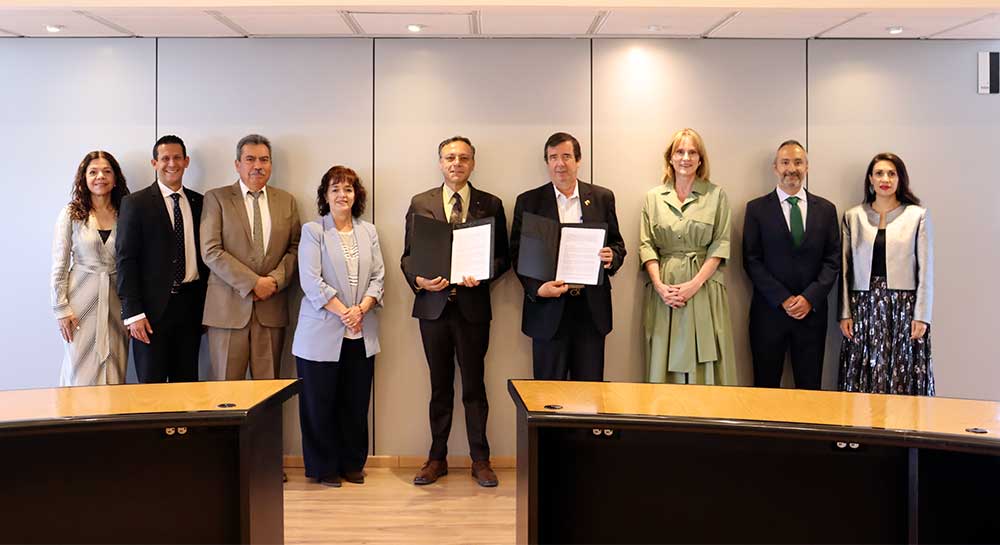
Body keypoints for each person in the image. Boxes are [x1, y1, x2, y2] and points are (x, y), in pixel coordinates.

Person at [400, 136, 510, 488]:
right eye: (450, 158)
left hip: (472, 308)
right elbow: (407, 257)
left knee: (475, 387)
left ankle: (481, 460)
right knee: (439, 386)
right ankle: (437, 458)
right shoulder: (421, 202)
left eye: (463, 158)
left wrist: (484, 274)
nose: (456, 163)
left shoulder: (490, 203)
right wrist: (419, 280)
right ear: (440, 162)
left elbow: (503, 257)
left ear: (473, 163)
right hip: (433, 310)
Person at [292, 166, 384, 488]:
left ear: (356, 195)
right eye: (335, 189)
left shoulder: (368, 231)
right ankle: (323, 467)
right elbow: (310, 281)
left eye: (348, 189)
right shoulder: (313, 231)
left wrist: (362, 309)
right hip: (320, 333)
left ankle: (352, 463)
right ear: (325, 195)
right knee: (319, 405)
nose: (342, 195)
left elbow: (379, 277)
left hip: (361, 331)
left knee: (355, 403)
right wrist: (346, 312)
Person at [510, 132, 626, 381]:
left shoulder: (601, 198)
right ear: (547, 162)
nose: (560, 164)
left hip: (590, 310)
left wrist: (612, 257)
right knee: (547, 395)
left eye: (566, 156)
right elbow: (517, 254)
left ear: (578, 160)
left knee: (589, 391)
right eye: (553, 157)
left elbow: (617, 244)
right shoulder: (529, 202)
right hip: (548, 309)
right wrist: (537, 289)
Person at [639, 128, 735, 385]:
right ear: (670, 158)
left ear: (700, 159)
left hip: (704, 289)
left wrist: (695, 284)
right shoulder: (653, 198)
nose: (685, 158)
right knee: (663, 358)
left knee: (706, 362)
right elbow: (646, 246)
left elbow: (720, 244)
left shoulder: (716, 195)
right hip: (665, 290)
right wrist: (660, 286)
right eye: (680, 152)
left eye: (692, 152)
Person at [201, 134, 301, 381]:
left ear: (271, 164)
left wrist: (274, 281)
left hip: (271, 309)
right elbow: (211, 250)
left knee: (268, 393)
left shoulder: (286, 201)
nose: (258, 166)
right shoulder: (217, 198)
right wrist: (254, 283)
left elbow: (295, 248)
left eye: (264, 160)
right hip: (227, 311)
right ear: (237, 164)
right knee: (225, 393)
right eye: (250, 159)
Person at [743, 140, 840, 389]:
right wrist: (783, 299)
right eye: (785, 162)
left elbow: (832, 261)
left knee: (810, 390)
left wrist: (809, 298)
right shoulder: (756, 209)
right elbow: (752, 260)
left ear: (807, 167)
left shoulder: (826, 210)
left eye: (798, 162)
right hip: (769, 314)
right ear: (775, 167)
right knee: (765, 388)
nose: (791, 168)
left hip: (811, 316)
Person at [839, 152, 934, 395]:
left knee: (902, 373)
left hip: (903, 307)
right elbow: (845, 269)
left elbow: (926, 269)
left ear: (900, 179)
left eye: (892, 174)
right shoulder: (853, 216)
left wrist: (922, 315)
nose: (885, 179)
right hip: (864, 306)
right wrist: (845, 312)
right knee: (864, 372)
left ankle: (902, 421)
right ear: (870, 179)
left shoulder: (917, 215)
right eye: (879, 173)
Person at [116, 135, 208, 383]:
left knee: (187, 386)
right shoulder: (135, 203)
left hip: (190, 308)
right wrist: (133, 313)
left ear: (186, 161)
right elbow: (126, 260)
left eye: (177, 158)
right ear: (154, 163)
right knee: (151, 389)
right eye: (165, 158)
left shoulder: (200, 202)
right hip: (150, 313)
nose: (172, 164)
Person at [51, 151, 131, 386]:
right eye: (93, 172)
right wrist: (61, 309)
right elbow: (59, 264)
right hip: (79, 303)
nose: (100, 177)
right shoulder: (71, 213)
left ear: (115, 178)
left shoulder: (126, 212)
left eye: (107, 171)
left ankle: (111, 411)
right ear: (84, 178)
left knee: (115, 366)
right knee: (79, 368)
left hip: (117, 301)